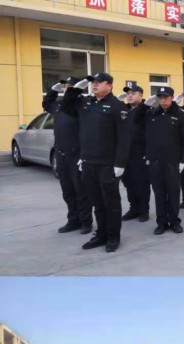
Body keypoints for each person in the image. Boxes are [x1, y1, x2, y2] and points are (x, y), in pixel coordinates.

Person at [61, 72, 131, 253]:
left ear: (109, 85)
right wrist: (76, 89)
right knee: (97, 202)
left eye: (99, 82)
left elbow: (124, 138)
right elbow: (65, 107)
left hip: (107, 164)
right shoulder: (86, 103)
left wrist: (120, 164)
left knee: (111, 203)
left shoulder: (117, 106)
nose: (95, 85)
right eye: (93, 83)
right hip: (88, 162)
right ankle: (101, 234)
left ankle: (113, 236)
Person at [42, 76, 93, 234]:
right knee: (67, 191)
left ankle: (86, 222)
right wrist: (53, 90)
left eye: (69, 86)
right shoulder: (59, 105)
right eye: (64, 86)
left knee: (81, 191)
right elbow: (46, 104)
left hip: (76, 154)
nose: (66, 88)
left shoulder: (83, 104)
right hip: (61, 154)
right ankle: (73, 220)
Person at [145, 86, 184, 235]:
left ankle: (175, 221)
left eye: (166, 97)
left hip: (172, 161)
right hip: (156, 161)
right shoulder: (153, 113)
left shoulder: (180, 114)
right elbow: (139, 126)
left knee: (173, 193)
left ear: (172, 98)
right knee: (159, 193)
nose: (163, 101)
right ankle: (161, 222)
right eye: (160, 98)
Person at [121, 83, 151, 222]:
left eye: (133, 94)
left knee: (142, 183)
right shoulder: (124, 110)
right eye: (128, 94)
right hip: (125, 153)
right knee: (129, 183)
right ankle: (134, 209)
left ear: (141, 96)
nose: (130, 96)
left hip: (140, 153)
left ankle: (144, 210)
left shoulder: (147, 111)